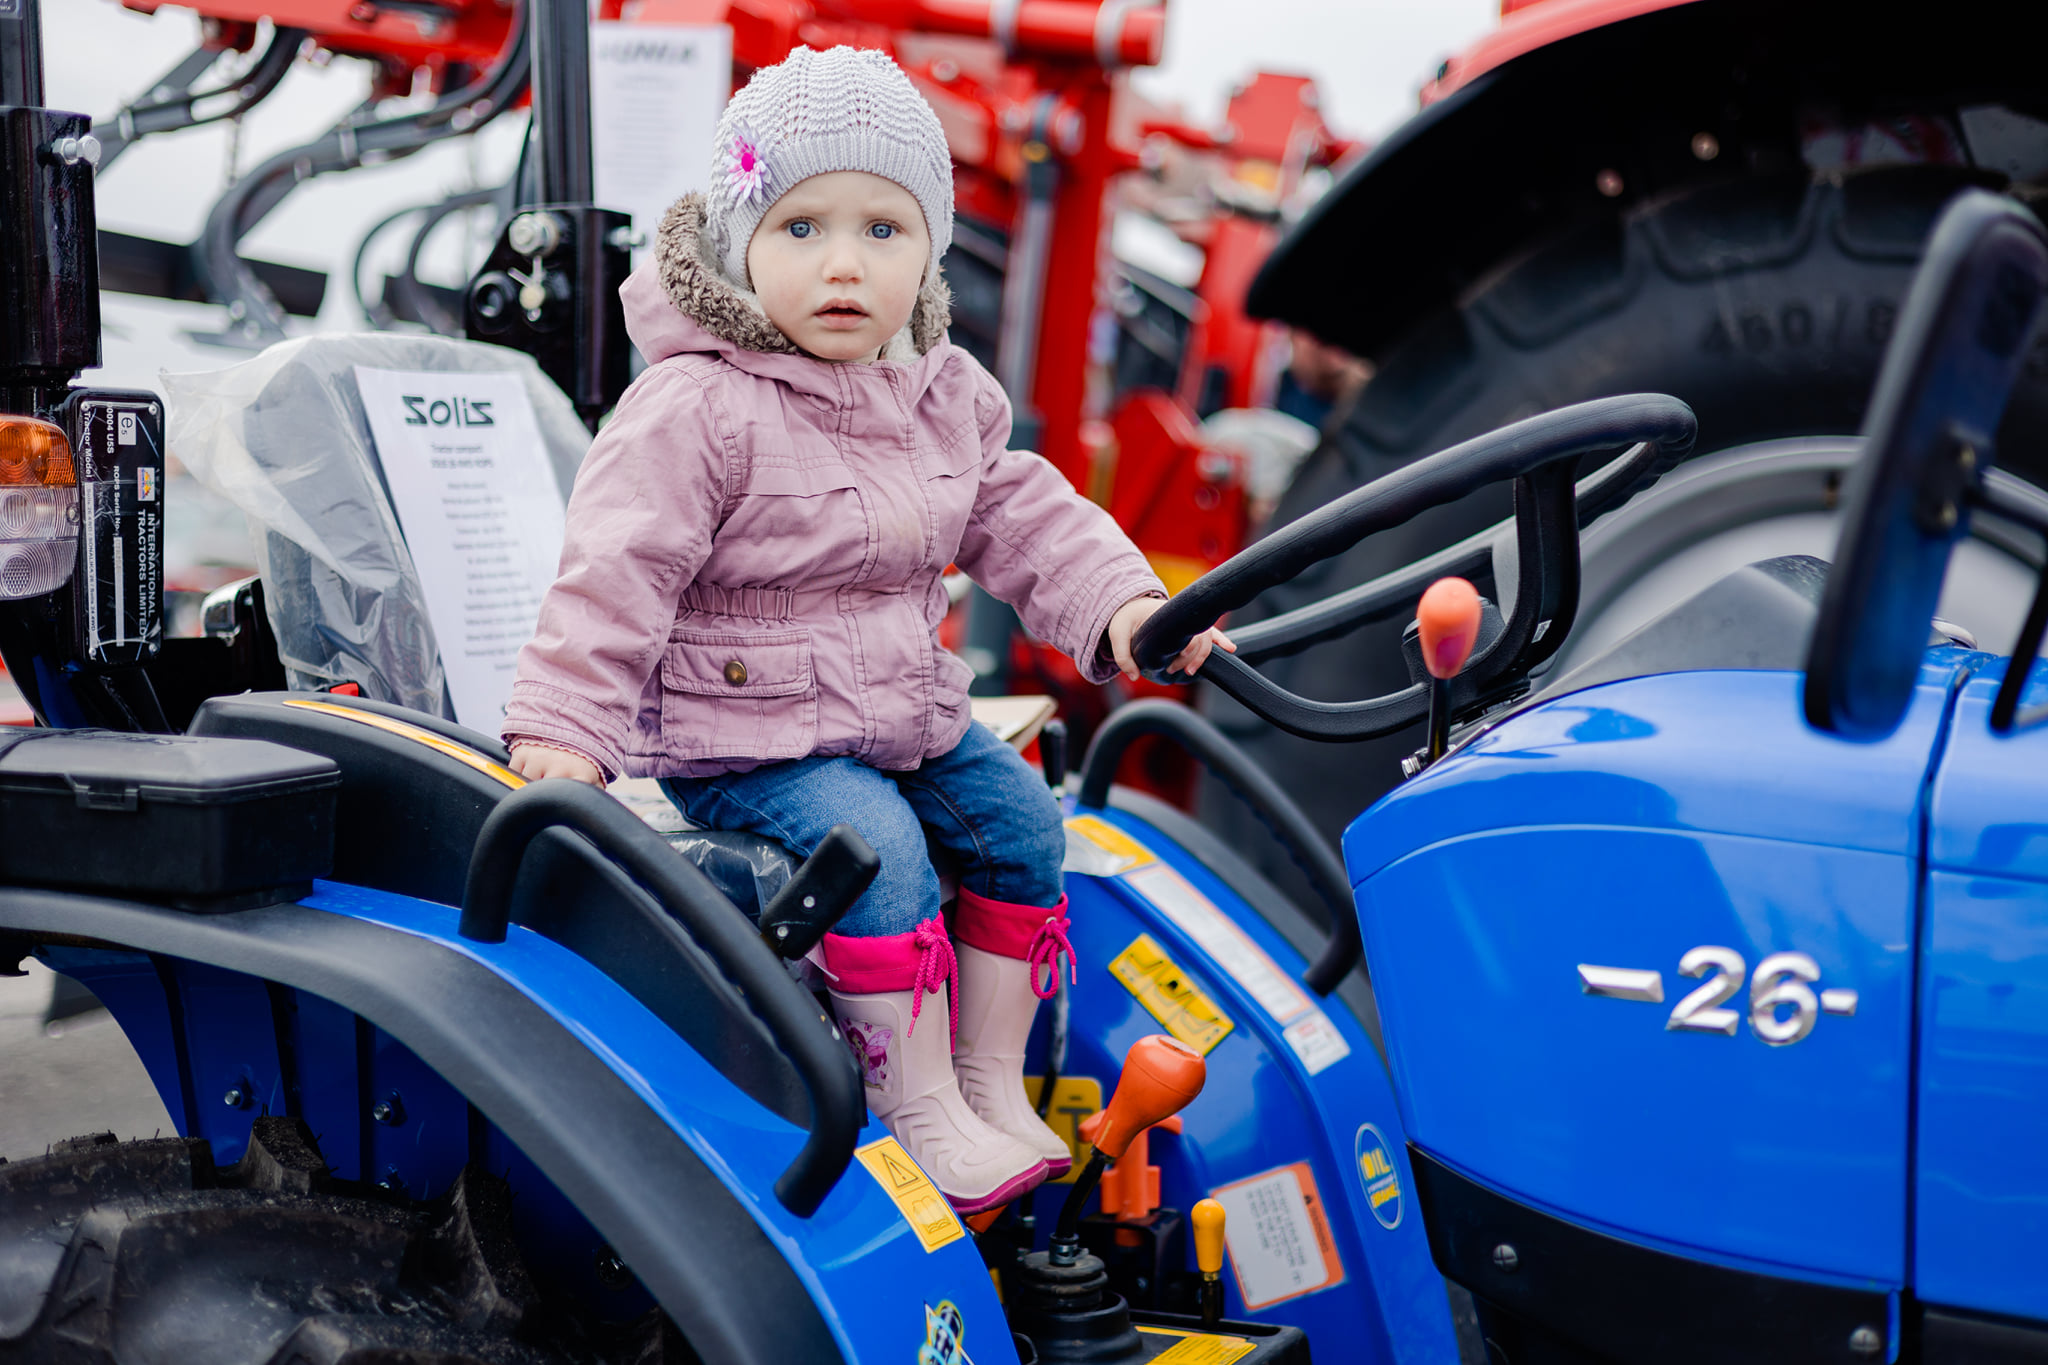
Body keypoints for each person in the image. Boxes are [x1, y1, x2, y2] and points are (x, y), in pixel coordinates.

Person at [501, 45, 1231, 1213]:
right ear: (741, 238)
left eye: (883, 232)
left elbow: (1024, 513)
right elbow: (614, 570)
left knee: (1020, 823)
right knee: (877, 852)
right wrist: (564, 728)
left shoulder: (939, 392)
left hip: (895, 707)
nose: (842, 265)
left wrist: (1129, 607)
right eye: (800, 230)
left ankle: (990, 1078)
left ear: (930, 247)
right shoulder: (699, 404)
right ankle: (913, 1101)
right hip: (744, 736)